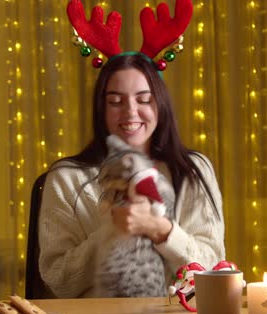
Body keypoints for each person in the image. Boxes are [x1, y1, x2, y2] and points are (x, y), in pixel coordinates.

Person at [38, 53, 225, 298]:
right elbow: (58, 280)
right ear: (101, 108)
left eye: (144, 99)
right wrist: (112, 231)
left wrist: (161, 229)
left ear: (160, 105)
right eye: (116, 101)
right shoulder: (66, 178)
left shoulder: (193, 170)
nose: (131, 112)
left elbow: (213, 267)